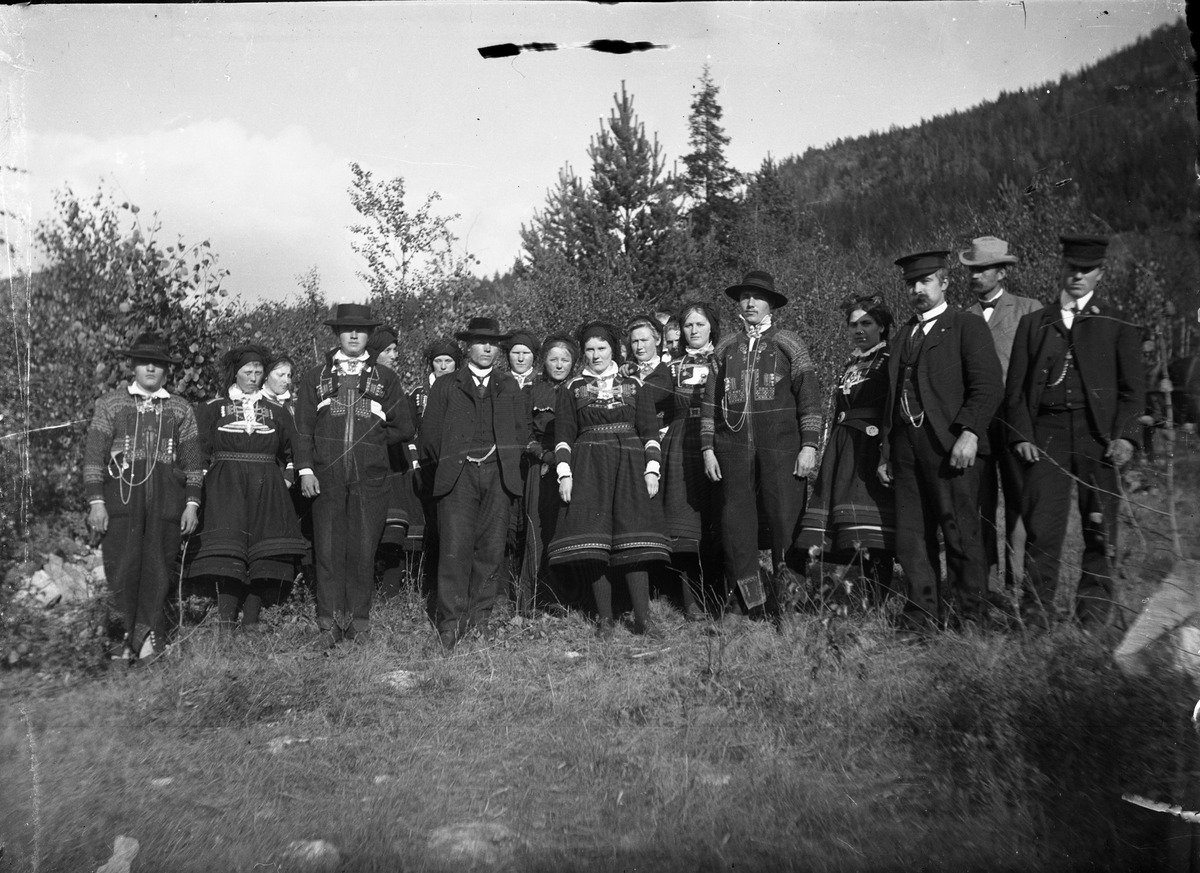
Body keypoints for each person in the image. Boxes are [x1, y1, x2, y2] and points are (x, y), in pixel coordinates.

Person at [1005, 234, 1143, 629]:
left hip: (1098, 440)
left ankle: (1091, 621)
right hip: (1045, 438)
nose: (1078, 276)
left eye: (1087, 270)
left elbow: (1135, 392)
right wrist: (1021, 436)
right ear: (1061, 268)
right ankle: (1035, 619)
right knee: (1042, 530)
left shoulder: (1117, 323)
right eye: (1072, 268)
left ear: (1101, 272)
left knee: (1100, 530)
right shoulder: (1034, 324)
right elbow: (1015, 391)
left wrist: (1126, 438)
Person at [877, 251, 1004, 637]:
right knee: (912, 538)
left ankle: (972, 616)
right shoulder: (903, 336)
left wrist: (969, 433)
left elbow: (988, 386)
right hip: (906, 449)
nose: (918, 290)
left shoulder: (966, 325)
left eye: (926, 281)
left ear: (945, 283)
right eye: (912, 284)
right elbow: (891, 397)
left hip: (952, 449)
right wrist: (886, 452)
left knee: (961, 534)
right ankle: (921, 617)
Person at [701, 271, 822, 619]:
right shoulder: (725, 347)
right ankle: (743, 602)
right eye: (744, 297)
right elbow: (709, 402)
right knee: (736, 526)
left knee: (787, 522)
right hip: (731, 448)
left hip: (783, 448)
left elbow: (810, 398)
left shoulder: (789, 342)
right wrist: (708, 447)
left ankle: (791, 605)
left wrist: (809, 444)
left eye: (757, 297)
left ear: (771, 303)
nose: (750, 303)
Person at [293, 303, 413, 648]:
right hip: (325, 477)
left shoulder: (386, 378)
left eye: (361, 331)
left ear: (370, 335)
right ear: (337, 334)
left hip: (370, 477)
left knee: (363, 549)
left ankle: (359, 623)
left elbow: (404, 426)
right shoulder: (315, 376)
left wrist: (373, 444)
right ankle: (329, 624)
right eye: (347, 330)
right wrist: (305, 469)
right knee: (328, 550)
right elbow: (302, 428)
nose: (355, 335)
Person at [83, 332, 203, 662]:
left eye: (159, 364)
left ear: (167, 370)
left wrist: (191, 503)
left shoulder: (180, 408)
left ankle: (150, 641)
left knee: (158, 570)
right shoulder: (111, 404)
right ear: (133, 366)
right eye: (144, 362)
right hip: (121, 503)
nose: (151, 368)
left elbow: (193, 462)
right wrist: (96, 501)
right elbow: (94, 455)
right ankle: (120, 645)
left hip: (167, 504)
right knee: (121, 568)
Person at [549, 321, 671, 640]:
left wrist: (652, 469)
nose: (596, 354)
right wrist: (565, 473)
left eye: (602, 348)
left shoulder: (634, 384)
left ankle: (643, 618)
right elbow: (563, 436)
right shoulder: (572, 388)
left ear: (613, 350)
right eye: (589, 349)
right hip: (588, 466)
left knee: (635, 539)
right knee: (595, 541)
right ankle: (605, 620)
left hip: (631, 466)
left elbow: (649, 431)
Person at [419, 317, 533, 650]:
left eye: (493, 343)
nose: (487, 348)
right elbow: (429, 437)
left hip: (498, 475)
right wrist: (450, 465)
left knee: (491, 550)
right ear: (468, 347)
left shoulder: (508, 385)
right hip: (458, 477)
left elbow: (520, 432)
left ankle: (479, 619)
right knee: (455, 549)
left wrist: (506, 466)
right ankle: (451, 623)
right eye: (481, 342)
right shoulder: (446, 385)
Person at [189, 344, 309, 633]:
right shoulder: (213, 408)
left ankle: (252, 621)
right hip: (225, 489)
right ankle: (226, 622)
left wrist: (289, 478)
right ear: (235, 373)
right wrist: (198, 489)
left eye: (258, 371)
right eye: (248, 371)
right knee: (229, 552)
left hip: (267, 489)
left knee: (261, 553)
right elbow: (200, 451)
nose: (254, 376)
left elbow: (295, 450)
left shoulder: (278, 411)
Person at [797, 295, 897, 604]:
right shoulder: (852, 361)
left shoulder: (889, 359)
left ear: (882, 326)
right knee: (848, 529)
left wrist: (886, 451)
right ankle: (860, 597)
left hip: (870, 447)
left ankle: (879, 600)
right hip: (843, 447)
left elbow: (891, 408)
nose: (858, 330)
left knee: (873, 530)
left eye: (866, 323)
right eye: (853, 324)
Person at [960, 236, 1043, 602]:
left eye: (983, 269)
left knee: (1020, 504)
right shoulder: (961, 318)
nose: (975, 276)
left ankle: (1018, 585)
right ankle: (985, 585)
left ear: (1002, 271)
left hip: (1016, 421)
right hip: (976, 423)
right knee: (980, 505)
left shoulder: (1028, 310)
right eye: (971, 270)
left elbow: (1039, 371)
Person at [651, 302, 722, 620]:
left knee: (721, 520)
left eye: (700, 325)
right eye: (689, 325)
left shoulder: (726, 359)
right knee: (685, 524)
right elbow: (646, 395)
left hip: (720, 442)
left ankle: (723, 594)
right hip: (681, 445)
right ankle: (689, 599)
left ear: (711, 328)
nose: (694, 331)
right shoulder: (672, 366)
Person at [518, 333, 578, 612]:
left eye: (565, 359)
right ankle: (534, 601)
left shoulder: (580, 387)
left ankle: (571, 600)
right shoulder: (532, 390)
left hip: (575, 467)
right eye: (553, 359)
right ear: (544, 362)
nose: (559, 364)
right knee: (538, 531)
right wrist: (543, 455)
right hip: (540, 466)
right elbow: (523, 432)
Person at [366, 326, 422, 598]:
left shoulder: (393, 383)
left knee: (394, 528)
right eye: (387, 351)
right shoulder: (361, 381)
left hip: (392, 460)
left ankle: (390, 592)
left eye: (395, 350)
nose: (394, 355)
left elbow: (405, 425)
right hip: (366, 461)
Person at [502, 329, 540, 610]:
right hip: (505, 460)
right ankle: (504, 586)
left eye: (525, 353)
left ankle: (530, 587)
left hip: (532, 461)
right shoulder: (500, 382)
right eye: (515, 352)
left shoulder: (539, 383)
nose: (520, 357)